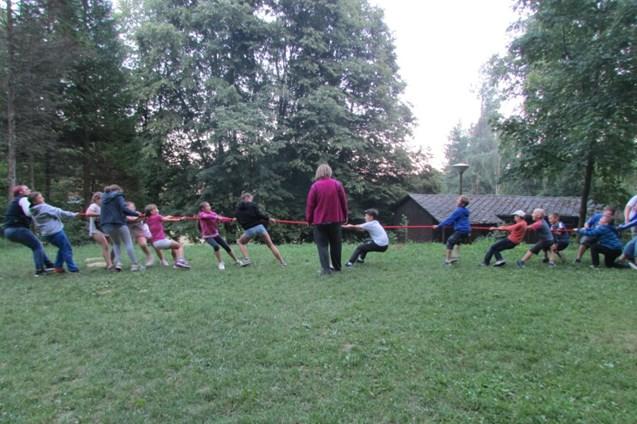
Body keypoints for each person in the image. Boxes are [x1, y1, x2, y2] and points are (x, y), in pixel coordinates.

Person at [305, 164, 349, 275]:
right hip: (335, 220)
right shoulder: (337, 184)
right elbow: (343, 202)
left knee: (322, 245)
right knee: (336, 244)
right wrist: (345, 216)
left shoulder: (315, 186)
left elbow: (310, 205)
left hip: (319, 221)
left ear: (318, 173)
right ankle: (337, 268)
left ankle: (326, 270)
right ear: (329, 172)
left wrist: (309, 219)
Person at [2, 185, 55, 276]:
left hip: (8, 231)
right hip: (17, 229)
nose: (29, 190)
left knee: (36, 245)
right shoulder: (23, 199)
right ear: (21, 192)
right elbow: (28, 212)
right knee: (37, 246)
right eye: (26, 189)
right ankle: (40, 271)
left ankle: (49, 264)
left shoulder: (15, 201)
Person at [28, 192, 79, 273]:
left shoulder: (32, 210)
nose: (43, 198)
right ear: (34, 202)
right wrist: (73, 215)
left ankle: (58, 267)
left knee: (62, 248)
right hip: (56, 232)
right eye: (40, 198)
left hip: (46, 234)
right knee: (67, 248)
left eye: (42, 197)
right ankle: (73, 268)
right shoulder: (43, 207)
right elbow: (59, 212)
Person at [234, 192, 286, 267]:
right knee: (271, 245)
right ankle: (282, 262)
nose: (252, 200)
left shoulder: (238, 209)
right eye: (251, 198)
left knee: (240, 242)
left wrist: (236, 219)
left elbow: (237, 218)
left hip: (249, 230)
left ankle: (247, 259)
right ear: (247, 197)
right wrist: (269, 219)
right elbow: (259, 215)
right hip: (259, 227)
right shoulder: (253, 205)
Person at [100, 184, 142, 271]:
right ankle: (134, 264)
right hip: (118, 223)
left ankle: (118, 264)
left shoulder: (104, 198)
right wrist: (136, 214)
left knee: (116, 243)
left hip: (106, 225)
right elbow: (124, 209)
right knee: (128, 243)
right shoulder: (118, 196)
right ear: (118, 190)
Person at [144, 204, 191, 269]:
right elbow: (166, 219)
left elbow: (163, 218)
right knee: (180, 246)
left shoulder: (148, 219)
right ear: (152, 212)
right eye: (156, 209)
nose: (158, 210)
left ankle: (176, 264)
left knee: (174, 247)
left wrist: (169, 216)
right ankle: (181, 260)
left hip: (155, 243)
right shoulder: (157, 216)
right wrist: (180, 219)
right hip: (161, 241)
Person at [198, 201, 240, 270]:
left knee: (226, 247)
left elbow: (221, 219)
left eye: (209, 206)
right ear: (203, 208)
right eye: (207, 206)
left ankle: (236, 260)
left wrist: (231, 219)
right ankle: (220, 262)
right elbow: (206, 216)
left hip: (215, 234)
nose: (209, 207)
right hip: (207, 236)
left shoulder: (213, 213)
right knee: (216, 246)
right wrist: (216, 216)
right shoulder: (201, 214)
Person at [126, 201, 167, 267]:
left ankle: (162, 260)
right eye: (129, 207)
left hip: (146, 229)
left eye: (133, 207)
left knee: (155, 245)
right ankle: (150, 256)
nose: (132, 208)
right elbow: (133, 219)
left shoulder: (137, 213)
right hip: (137, 231)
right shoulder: (125, 215)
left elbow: (145, 219)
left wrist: (146, 216)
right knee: (143, 244)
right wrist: (141, 217)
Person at [433, 196, 471, 265]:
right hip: (466, 231)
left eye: (458, 200)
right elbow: (458, 220)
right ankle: (454, 257)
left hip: (461, 230)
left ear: (462, 204)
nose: (456, 201)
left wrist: (438, 226)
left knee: (450, 242)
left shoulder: (458, 210)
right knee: (457, 242)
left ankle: (447, 261)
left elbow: (449, 220)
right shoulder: (465, 210)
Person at [85, 192, 113, 270]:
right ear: (97, 199)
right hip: (95, 230)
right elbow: (88, 213)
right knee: (105, 245)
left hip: (105, 229)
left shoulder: (104, 207)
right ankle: (109, 264)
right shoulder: (94, 206)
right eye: (103, 199)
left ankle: (111, 261)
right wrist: (99, 215)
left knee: (115, 245)